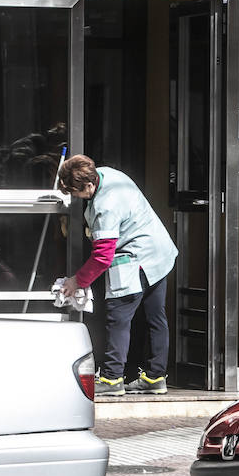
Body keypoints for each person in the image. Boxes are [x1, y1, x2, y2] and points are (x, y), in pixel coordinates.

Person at [57, 154, 177, 396]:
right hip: (159, 251)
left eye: (75, 192)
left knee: (118, 318)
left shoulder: (105, 206)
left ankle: (112, 379)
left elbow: (102, 256)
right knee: (156, 317)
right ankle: (155, 377)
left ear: (88, 186)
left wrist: (77, 281)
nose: (75, 197)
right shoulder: (107, 173)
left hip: (135, 258)